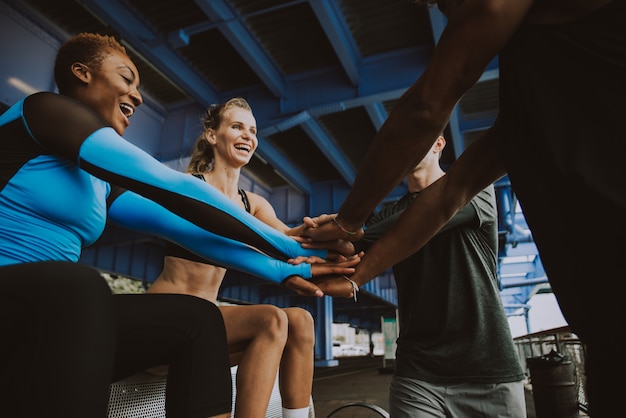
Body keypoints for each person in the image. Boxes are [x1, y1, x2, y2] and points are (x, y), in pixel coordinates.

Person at [0, 32, 357, 417]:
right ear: (81, 73)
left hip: (59, 317)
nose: (137, 96)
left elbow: (191, 233)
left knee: (198, 319)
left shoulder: (101, 184)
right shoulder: (43, 111)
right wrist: (288, 246)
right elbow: (171, 187)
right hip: (19, 300)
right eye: (126, 79)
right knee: (79, 285)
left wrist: (284, 272)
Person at [302, 1, 626, 416]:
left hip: (500, 364)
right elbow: (445, 196)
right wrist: (356, 274)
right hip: (606, 329)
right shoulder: (532, 101)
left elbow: (426, 107)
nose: (441, 8)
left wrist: (349, 222)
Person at [310, 136, 526, 417]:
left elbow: (427, 214)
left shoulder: (475, 189)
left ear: (439, 144)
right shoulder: (385, 217)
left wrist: (349, 228)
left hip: (489, 373)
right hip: (418, 375)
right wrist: (306, 242)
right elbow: (346, 248)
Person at [148, 98, 319, 418]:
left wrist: (330, 232)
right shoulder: (191, 187)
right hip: (166, 320)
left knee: (300, 320)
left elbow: (290, 241)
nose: (247, 136)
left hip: (207, 327)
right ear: (212, 135)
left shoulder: (252, 203)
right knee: (271, 319)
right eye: (237, 127)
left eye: (252, 131)